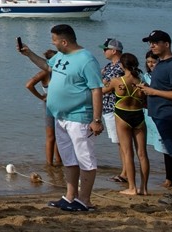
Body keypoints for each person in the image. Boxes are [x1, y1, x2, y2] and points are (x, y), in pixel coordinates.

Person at [18, 24, 102, 212]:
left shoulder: (86, 59)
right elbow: (47, 66)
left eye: (54, 40)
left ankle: (85, 200)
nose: (52, 42)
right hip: (60, 116)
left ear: (64, 41)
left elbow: (96, 89)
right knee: (69, 158)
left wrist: (96, 120)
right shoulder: (61, 55)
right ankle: (70, 196)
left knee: (85, 158)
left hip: (79, 116)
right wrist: (28, 53)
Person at [139, 30, 172, 206]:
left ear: (166, 44)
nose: (151, 45)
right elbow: (163, 89)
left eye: (155, 42)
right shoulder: (161, 64)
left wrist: (153, 92)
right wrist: (147, 92)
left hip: (170, 116)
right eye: (150, 42)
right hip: (161, 115)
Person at [105, 52, 149, 195]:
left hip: (122, 116)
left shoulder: (117, 81)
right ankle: (144, 188)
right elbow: (146, 102)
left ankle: (132, 187)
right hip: (138, 116)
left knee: (127, 153)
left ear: (122, 65)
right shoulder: (141, 82)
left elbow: (102, 91)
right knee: (142, 154)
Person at [24, 50, 62, 167]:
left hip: (61, 106)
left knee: (59, 136)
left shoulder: (61, 72)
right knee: (52, 137)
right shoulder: (45, 72)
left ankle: (58, 162)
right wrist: (41, 97)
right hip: (51, 106)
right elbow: (29, 84)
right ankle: (49, 164)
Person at [100, 39, 126, 182]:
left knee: (122, 142)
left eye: (105, 49)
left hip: (115, 107)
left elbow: (109, 86)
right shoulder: (110, 66)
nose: (104, 52)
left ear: (114, 51)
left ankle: (125, 173)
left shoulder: (120, 67)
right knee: (119, 142)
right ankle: (124, 171)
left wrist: (102, 86)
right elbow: (102, 80)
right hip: (108, 108)